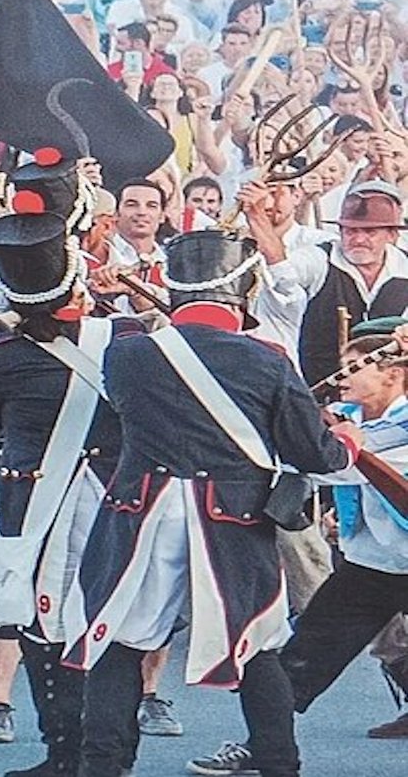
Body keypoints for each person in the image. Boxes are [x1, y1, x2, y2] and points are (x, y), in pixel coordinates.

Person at [64, 229, 359, 777]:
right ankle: (279, 764)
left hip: (143, 510)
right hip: (231, 516)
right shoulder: (267, 359)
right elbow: (315, 454)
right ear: (243, 291)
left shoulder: (127, 354)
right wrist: (347, 440)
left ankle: (101, 766)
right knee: (258, 646)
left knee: (121, 643)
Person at [189, 323, 408, 774]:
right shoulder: (344, 416)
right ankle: (265, 747)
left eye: (355, 367)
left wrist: (299, 432)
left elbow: (337, 464)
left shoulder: (396, 425)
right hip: (371, 562)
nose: (343, 377)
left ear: (393, 374)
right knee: (303, 656)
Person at [0, 211, 143, 777]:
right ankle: (110, 753)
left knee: (43, 632)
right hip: (113, 500)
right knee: (110, 628)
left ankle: (64, 753)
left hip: (34, 505)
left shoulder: (0, 355)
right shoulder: (125, 338)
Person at [249, 180, 408, 390]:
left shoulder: (404, 266)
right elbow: (282, 270)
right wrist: (256, 217)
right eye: (351, 231)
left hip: (387, 391)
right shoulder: (319, 258)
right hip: (318, 389)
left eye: (370, 232)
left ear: (391, 235)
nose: (359, 239)